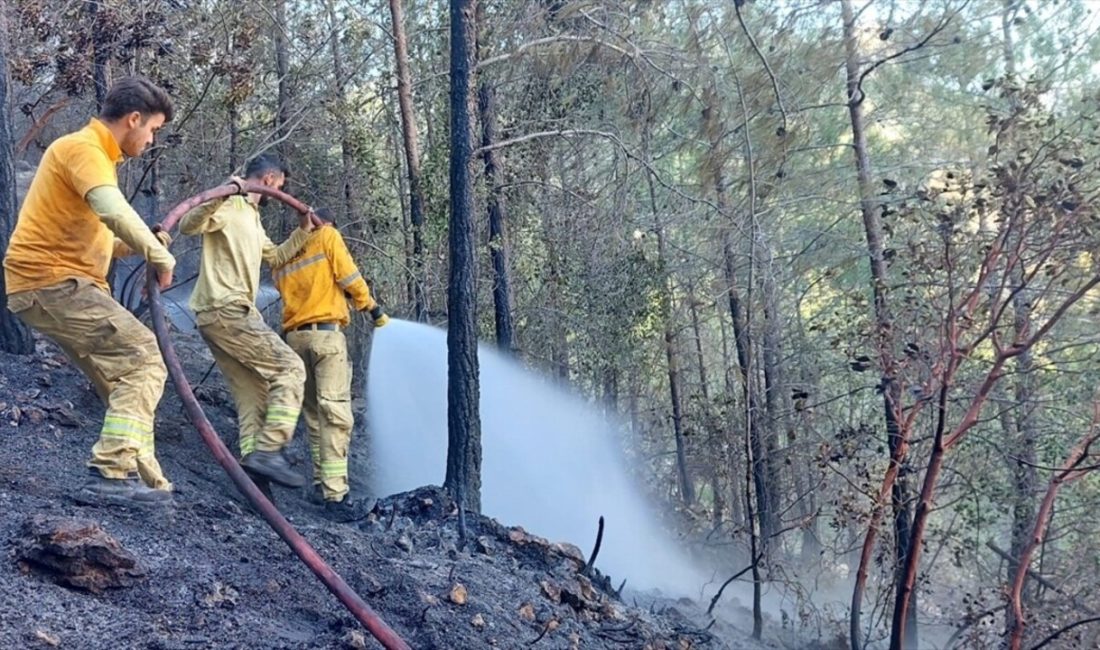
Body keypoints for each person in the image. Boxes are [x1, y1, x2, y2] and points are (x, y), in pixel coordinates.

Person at [4, 76, 177, 507]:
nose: (152, 139)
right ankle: (111, 473)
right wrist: (158, 254)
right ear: (133, 119)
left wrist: (141, 242)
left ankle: (148, 484)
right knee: (145, 357)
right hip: (52, 281)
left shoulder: (94, 158)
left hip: (54, 283)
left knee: (126, 379)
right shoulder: (85, 149)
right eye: (153, 129)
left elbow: (102, 236)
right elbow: (113, 211)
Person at [179, 154, 315, 489]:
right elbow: (186, 225)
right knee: (291, 368)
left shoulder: (253, 219)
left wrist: (303, 232)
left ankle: (255, 486)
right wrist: (225, 192)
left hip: (225, 316)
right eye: (281, 184)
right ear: (270, 179)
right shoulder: (230, 205)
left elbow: (276, 256)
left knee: (254, 395)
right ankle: (269, 451)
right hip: (226, 310)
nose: (281, 191)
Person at [272, 209, 389, 521]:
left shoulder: (286, 254)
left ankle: (320, 484)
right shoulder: (328, 236)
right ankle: (335, 496)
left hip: (295, 340)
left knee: (312, 414)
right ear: (326, 223)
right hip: (326, 337)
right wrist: (371, 308)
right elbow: (349, 276)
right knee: (335, 414)